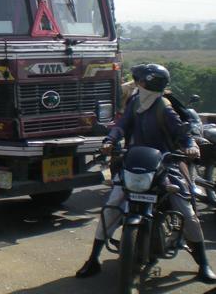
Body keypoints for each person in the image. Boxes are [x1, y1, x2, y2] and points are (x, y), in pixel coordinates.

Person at [75, 63, 216, 283]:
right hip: (135, 162)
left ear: (145, 83)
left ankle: (203, 265)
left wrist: (190, 146)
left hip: (164, 165)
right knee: (111, 208)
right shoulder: (135, 102)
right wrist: (110, 140)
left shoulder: (164, 107)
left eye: (138, 80)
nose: (136, 83)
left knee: (186, 211)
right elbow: (122, 125)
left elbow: (181, 132)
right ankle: (93, 259)